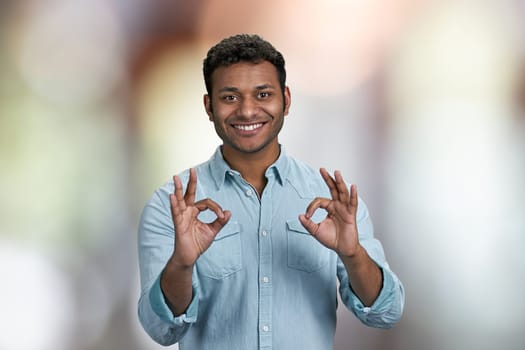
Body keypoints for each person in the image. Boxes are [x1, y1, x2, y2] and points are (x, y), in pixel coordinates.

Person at [137, 34, 404, 349]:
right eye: (230, 97)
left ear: (286, 100)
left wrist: (353, 253)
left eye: (263, 94)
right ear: (209, 106)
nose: (248, 111)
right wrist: (181, 264)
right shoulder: (172, 205)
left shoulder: (334, 201)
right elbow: (161, 330)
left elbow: (386, 312)